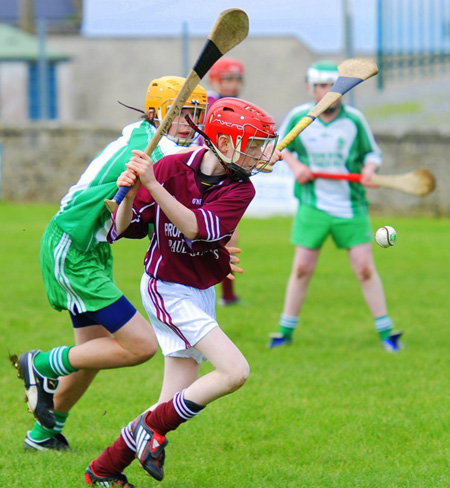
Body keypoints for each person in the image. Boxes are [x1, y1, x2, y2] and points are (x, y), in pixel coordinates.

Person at [84, 97, 282, 487]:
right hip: (165, 288)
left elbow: (194, 227)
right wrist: (128, 192)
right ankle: (151, 430)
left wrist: (153, 184)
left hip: (199, 291)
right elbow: (124, 227)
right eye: (254, 144)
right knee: (234, 371)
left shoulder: (241, 190)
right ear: (224, 144)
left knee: (171, 399)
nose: (261, 154)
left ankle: (103, 470)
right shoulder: (171, 167)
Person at [11, 76, 209, 456]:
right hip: (72, 247)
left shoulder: (152, 140)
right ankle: (39, 364)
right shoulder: (154, 150)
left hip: (93, 250)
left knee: (95, 353)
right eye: (179, 114)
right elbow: (194, 180)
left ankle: (43, 436)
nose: (188, 122)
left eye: (194, 114)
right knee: (139, 345)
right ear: (156, 115)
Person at [268, 60, 403, 352]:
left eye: (331, 86)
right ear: (310, 88)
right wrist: (295, 166)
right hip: (312, 204)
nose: (326, 92)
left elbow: (372, 154)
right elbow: (278, 147)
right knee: (302, 268)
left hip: (350, 206)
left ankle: (387, 332)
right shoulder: (300, 117)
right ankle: (284, 331)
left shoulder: (354, 120)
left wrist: (368, 170)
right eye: (319, 86)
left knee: (365, 268)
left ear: (342, 89)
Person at [207, 57, 245, 306]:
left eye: (237, 79)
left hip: (226, 180)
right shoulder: (208, 103)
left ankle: (227, 296)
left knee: (229, 238)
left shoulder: (239, 107)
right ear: (215, 79)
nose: (233, 84)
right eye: (227, 79)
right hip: (205, 178)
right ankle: (219, 295)